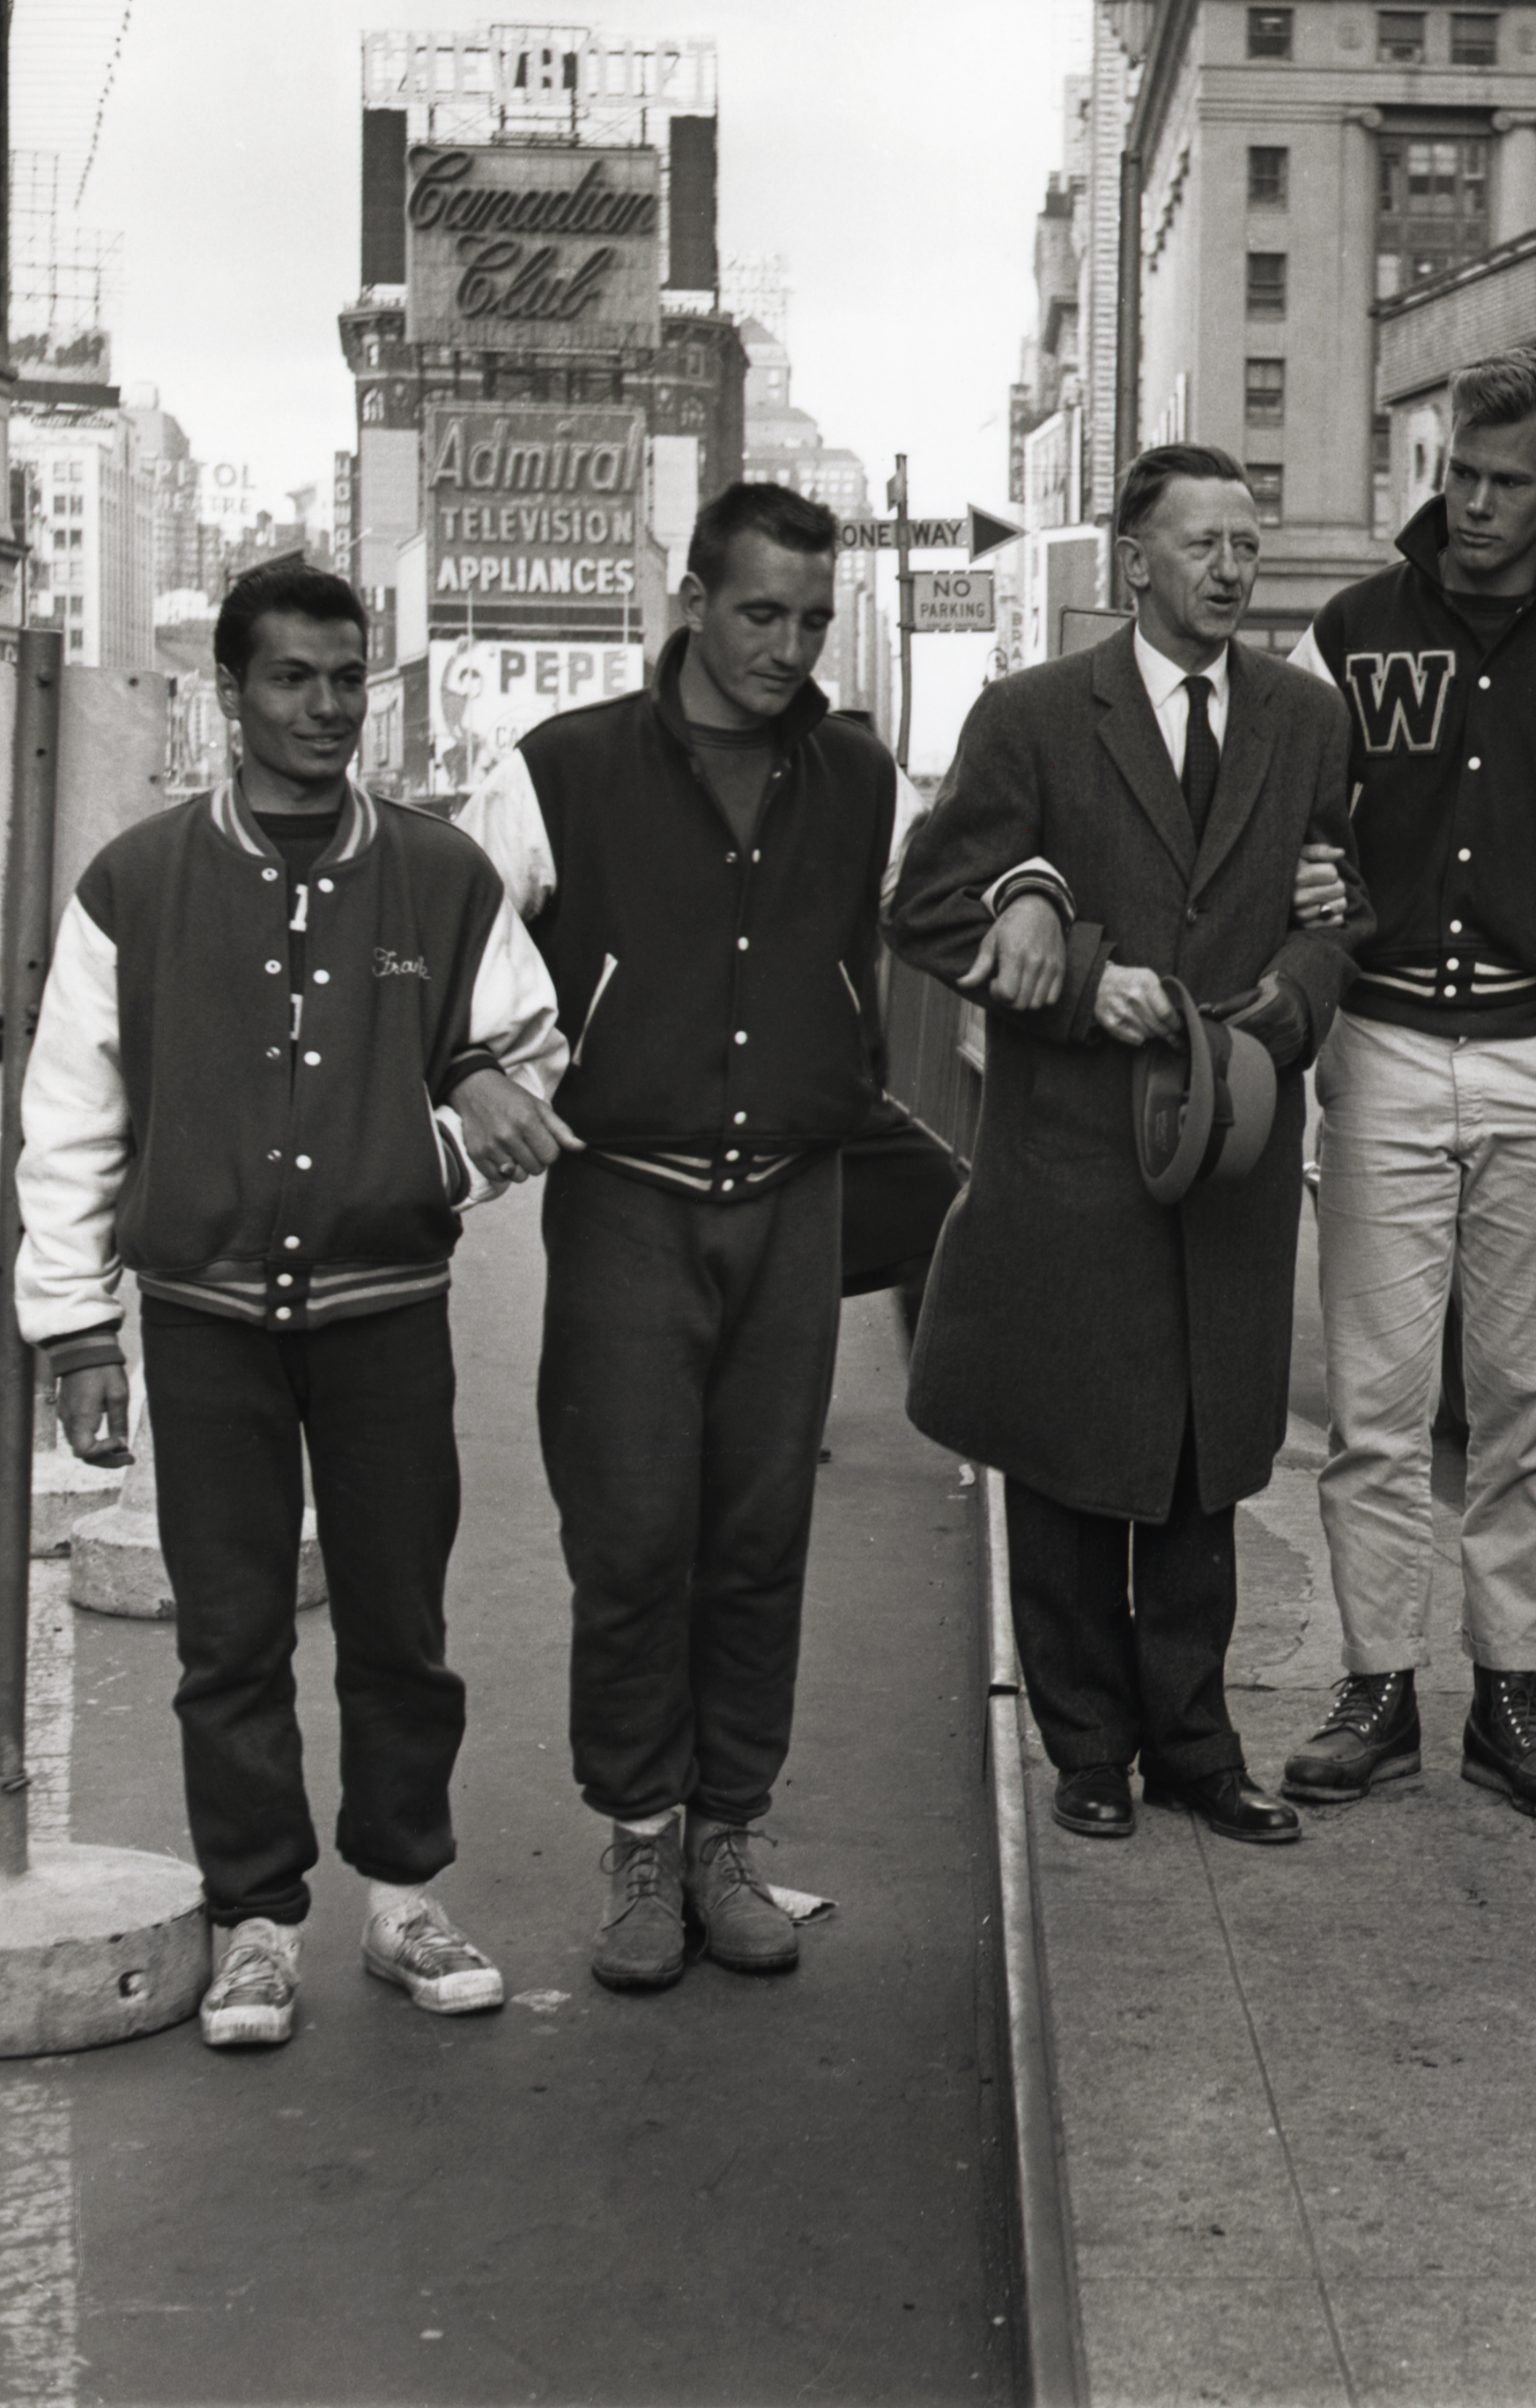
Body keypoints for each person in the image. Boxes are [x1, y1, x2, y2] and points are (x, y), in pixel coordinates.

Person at [18, 559, 567, 2049]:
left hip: (387, 1307)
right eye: (290, 679)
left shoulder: (442, 873)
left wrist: (439, 1145)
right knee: (231, 1636)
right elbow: (73, 1113)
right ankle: (257, 1920)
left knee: (400, 1619)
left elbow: (525, 1047)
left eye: (345, 678)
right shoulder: (136, 881)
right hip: (203, 1318)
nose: (323, 708)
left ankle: (401, 1897)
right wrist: (74, 1326)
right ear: (232, 691)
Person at [888, 443, 1367, 1846]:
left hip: (1228, 1150)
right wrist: (1085, 973)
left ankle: (1200, 1749)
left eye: (1246, 543)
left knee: (1209, 1463)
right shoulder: (1034, 717)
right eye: (1202, 543)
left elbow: (1336, 903)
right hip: (1076, 1151)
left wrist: (1296, 996)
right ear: (1131, 563)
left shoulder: (1303, 719)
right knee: (1069, 1461)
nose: (1231, 568)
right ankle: (1087, 1746)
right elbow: (925, 909)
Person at [458, 481, 898, 1989]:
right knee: (634, 1531)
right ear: (694, 601)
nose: (787, 646)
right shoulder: (560, 769)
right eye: (762, 611)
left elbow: (932, 916)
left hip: (793, 1193)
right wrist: (471, 1070)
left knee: (760, 1534)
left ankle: (731, 1838)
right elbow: (451, 947)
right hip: (628, 1191)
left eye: (813, 619)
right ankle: (642, 1838)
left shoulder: (857, 772)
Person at [1284, 349, 1536, 1825]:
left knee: (1527, 1398)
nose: (1477, 502)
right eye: (1460, 469)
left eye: (1511, 480)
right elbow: (1301, 823)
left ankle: (1512, 1684)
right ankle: (1377, 1684)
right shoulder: (1352, 625)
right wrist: (1310, 910)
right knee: (1377, 1403)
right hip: (1381, 1043)